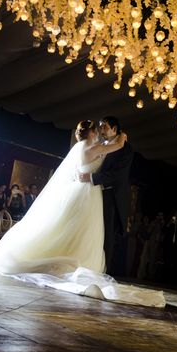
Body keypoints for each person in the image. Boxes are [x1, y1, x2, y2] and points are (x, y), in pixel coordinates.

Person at [0, 120, 165, 307]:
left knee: (76, 229)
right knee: (83, 229)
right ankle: (79, 262)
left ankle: (74, 257)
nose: (99, 132)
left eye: (103, 127)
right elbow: (118, 145)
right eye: (96, 129)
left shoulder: (84, 147)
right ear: (90, 133)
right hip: (86, 193)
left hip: (85, 192)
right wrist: (122, 137)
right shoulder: (89, 149)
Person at [77, 116, 134, 274]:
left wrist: (92, 178)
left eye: (104, 127)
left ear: (115, 129)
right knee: (95, 231)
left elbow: (118, 175)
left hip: (112, 196)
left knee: (108, 235)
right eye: (100, 127)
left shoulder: (126, 148)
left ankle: (103, 271)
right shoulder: (102, 145)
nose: (101, 130)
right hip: (96, 195)